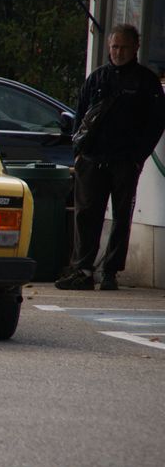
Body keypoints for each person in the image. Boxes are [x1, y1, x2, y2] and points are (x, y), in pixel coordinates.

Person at [55, 24, 165, 291]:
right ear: (108, 48)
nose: (118, 52)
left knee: (121, 218)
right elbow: (80, 115)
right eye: (114, 47)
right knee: (86, 215)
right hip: (92, 159)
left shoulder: (146, 82)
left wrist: (138, 156)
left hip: (125, 161)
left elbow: (156, 122)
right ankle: (82, 270)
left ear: (136, 48)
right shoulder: (97, 78)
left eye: (124, 47)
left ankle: (110, 272)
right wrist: (79, 154)